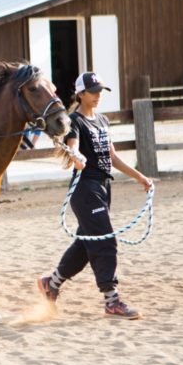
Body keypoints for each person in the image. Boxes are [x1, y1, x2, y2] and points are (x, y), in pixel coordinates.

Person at [35, 72, 152, 320]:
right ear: (81, 94)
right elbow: (73, 145)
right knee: (106, 241)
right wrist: (76, 156)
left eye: (100, 91)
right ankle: (112, 300)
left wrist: (139, 177)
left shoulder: (102, 121)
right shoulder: (74, 121)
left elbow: (112, 157)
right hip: (84, 189)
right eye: (94, 91)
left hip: (102, 188)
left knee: (87, 243)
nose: (98, 95)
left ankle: (51, 284)